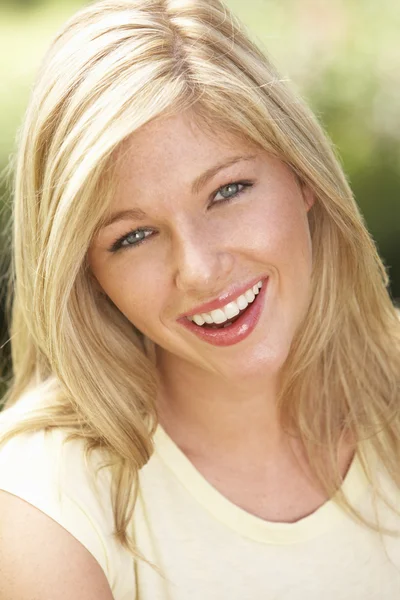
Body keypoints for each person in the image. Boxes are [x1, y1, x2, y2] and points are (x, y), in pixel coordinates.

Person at [0, 0, 399, 598]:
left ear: (304, 177)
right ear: (87, 275)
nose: (199, 270)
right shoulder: (43, 507)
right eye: (132, 236)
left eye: (227, 191)